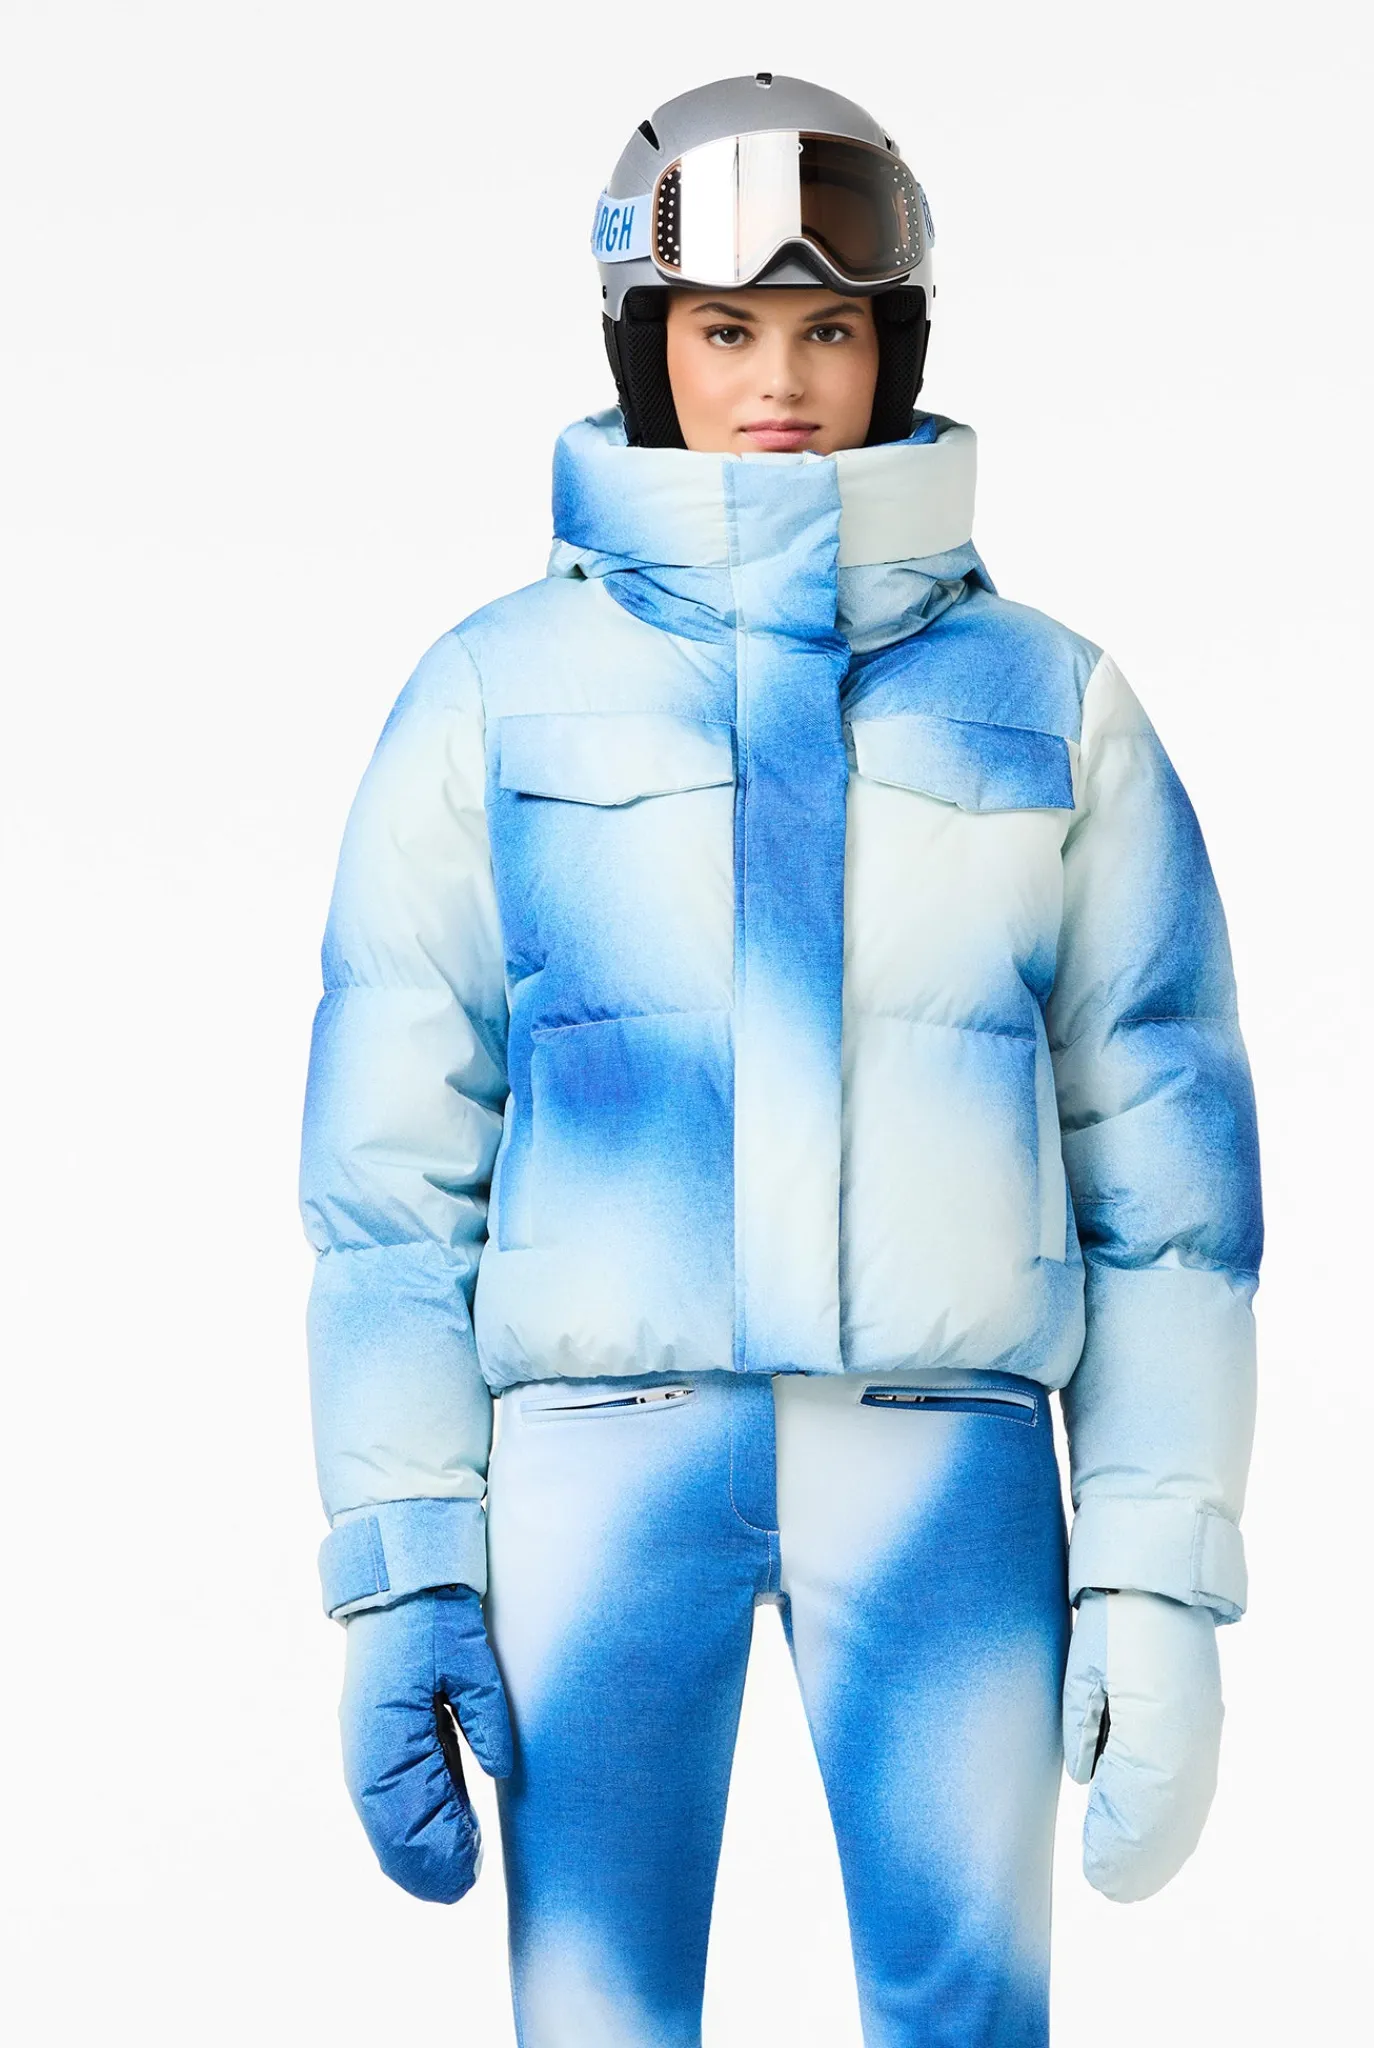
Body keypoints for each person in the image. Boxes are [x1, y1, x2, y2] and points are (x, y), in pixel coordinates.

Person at [300, 71, 1263, 2047]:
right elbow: (392, 1168)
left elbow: (1167, 1175)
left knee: (966, 2014)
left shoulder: (1051, 705)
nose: (782, 383)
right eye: (726, 328)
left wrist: (1156, 1572)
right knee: (596, 2013)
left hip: (943, 1460)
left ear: (896, 343)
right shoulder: (492, 698)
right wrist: (405, 1561)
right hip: (599, 1463)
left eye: (831, 329)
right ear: (643, 344)